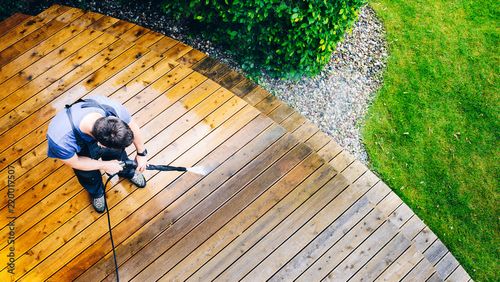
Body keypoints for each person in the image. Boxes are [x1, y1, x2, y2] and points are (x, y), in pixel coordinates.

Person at [46, 95, 149, 213]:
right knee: (88, 174)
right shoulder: (60, 140)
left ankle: (127, 171)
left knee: (119, 155)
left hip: (99, 140)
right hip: (80, 155)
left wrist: (142, 153)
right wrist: (104, 165)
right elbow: (75, 162)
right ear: (101, 144)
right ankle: (97, 192)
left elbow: (132, 125)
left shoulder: (112, 109)